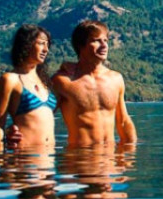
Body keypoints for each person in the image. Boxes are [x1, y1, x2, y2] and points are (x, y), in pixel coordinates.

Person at [51, 20, 137, 148]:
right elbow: (41, 117)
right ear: (81, 46)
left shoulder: (115, 79)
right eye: (96, 40)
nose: (104, 46)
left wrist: (129, 157)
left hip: (109, 162)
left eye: (106, 41)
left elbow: (123, 121)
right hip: (80, 161)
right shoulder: (63, 81)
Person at [0, 25, 57, 152]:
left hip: (49, 161)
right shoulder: (10, 80)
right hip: (25, 159)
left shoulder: (44, 82)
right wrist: (0, 161)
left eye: (48, 45)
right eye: (41, 44)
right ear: (26, 44)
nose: (46, 49)